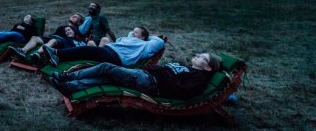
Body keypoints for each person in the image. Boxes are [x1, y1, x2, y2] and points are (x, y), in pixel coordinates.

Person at [48, 52, 222, 100]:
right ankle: (70, 87)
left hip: (151, 84)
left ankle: (66, 77)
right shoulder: (187, 69)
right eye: (200, 54)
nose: (198, 55)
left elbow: (181, 92)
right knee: (108, 78)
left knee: (106, 67)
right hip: (145, 76)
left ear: (208, 67)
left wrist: (165, 72)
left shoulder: (199, 77)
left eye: (203, 57)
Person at [41, 26, 165, 68]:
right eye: (133, 31)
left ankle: (56, 53)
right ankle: (58, 57)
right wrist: (136, 34)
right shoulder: (130, 38)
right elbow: (129, 34)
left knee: (86, 50)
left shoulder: (146, 45)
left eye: (136, 32)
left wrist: (149, 36)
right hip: (109, 50)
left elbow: (159, 42)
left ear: (143, 37)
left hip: (117, 58)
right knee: (86, 52)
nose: (132, 33)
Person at [9, 13, 86, 60]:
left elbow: (87, 23)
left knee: (53, 41)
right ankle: (23, 51)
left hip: (61, 41)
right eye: (73, 15)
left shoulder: (78, 29)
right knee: (34, 38)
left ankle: (38, 53)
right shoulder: (63, 26)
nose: (73, 16)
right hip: (52, 37)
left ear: (79, 22)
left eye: (76, 17)